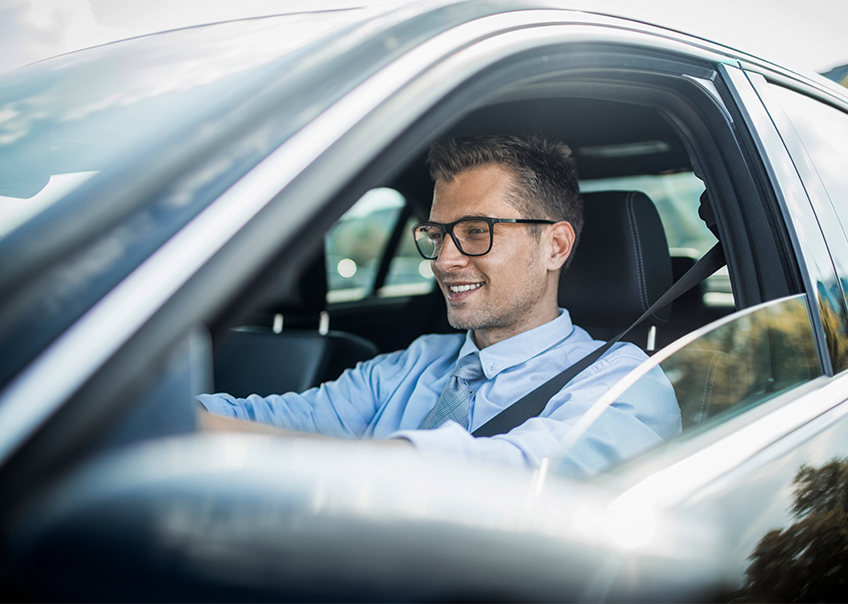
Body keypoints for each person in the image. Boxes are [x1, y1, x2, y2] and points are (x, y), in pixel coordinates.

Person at [198, 134, 680, 476]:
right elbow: (263, 417)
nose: (444, 261)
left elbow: (515, 481)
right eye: (437, 234)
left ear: (554, 246)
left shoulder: (624, 386)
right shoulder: (413, 363)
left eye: (476, 232)